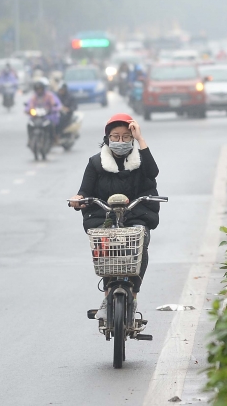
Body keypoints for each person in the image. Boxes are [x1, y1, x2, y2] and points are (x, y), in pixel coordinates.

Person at [68, 114, 159, 317]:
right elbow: (84, 191)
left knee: (139, 243)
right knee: (105, 245)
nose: (120, 141)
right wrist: (78, 198)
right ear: (107, 138)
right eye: (115, 136)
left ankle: (133, 294)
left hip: (137, 213)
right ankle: (107, 293)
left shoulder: (141, 160)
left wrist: (141, 139)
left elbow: (152, 173)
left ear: (133, 138)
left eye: (126, 137)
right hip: (104, 215)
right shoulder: (95, 163)